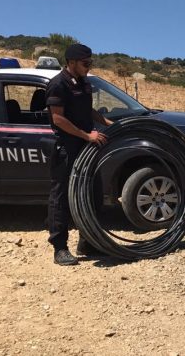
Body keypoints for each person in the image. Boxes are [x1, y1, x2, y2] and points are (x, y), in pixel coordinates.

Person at [46, 43, 112, 266]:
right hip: (68, 147)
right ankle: (60, 248)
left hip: (86, 147)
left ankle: (87, 241)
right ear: (72, 62)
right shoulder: (58, 84)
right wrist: (86, 136)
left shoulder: (84, 83)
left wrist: (107, 123)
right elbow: (58, 119)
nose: (88, 67)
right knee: (62, 198)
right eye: (85, 63)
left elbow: (88, 110)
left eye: (90, 63)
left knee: (92, 194)